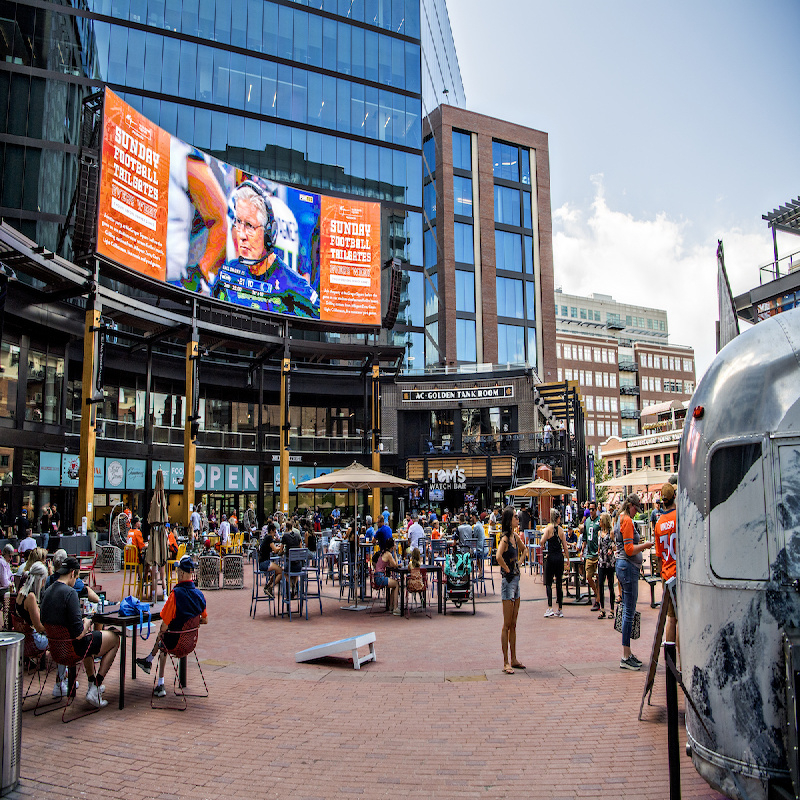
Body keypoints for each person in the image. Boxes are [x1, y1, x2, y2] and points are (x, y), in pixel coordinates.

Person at [214, 181, 319, 318]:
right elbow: (304, 270)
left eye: (250, 226)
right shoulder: (228, 273)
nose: (241, 235)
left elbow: (324, 318)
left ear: (269, 233)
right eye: (238, 223)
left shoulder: (293, 285)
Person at [39, 556, 120, 708]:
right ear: (72, 573)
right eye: (76, 576)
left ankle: (91, 683)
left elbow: (43, 622)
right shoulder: (70, 593)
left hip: (56, 648)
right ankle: (96, 686)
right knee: (115, 638)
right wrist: (88, 621)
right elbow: (79, 634)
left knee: (89, 640)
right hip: (73, 648)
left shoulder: (47, 590)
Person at [134, 555, 207, 698]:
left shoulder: (175, 595)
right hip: (190, 643)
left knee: (163, 638)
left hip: (175, 642)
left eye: (178, 571)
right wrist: (189, 626)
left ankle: (160, 683)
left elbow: (164, 625)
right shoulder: (199, 595)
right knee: (166, 636)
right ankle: (148, 660)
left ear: (181, 573)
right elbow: (205, 620)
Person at [615, 493, 654, 670]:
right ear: (630, 505)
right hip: (628, 566)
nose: (636, 513)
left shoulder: (619, 518)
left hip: (624, 566)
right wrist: (645, 546)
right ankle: (625, 654)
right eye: (635, 509)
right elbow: (629, 549)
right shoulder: (627, 521)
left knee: (627, 610)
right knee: (629, 612)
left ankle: (628, 652)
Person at [496, 506, 526, 674]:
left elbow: (525, 550)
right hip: (508, 582)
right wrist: (507, 569)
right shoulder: (506, 538)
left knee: (513, 624)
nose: (517, 519)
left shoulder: (515, 537)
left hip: (516, 581)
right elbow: (498, 556)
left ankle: (513, 659)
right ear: (509, 520)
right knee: (507, 624)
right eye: (515, 517)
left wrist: (519, 563)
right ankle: (506, 661)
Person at [654, 482, 678, 644]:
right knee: (682, 619)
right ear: (674, 497)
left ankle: (671, 663)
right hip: (680, 573)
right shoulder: (679, 517)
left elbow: (658, 556)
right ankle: (683, 664)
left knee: (671, 618)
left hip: (666, 573)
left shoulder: (658, 523)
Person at [540, 509, 569, 618]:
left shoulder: (548, 529)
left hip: (551, 557)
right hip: (559, 557)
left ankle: (550, 607)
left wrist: (543, 545)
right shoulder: (561, 530)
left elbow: (542, 541)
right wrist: (568, 559)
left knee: (548, 583)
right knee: (559, 584)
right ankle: (560, 609)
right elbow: (565, 547)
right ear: (557, 518)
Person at [580, 501, 601, 611]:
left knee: (598, 578)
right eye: (590, 509)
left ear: (596, 509)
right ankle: (597, 594)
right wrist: (582, 549)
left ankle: (597, 601)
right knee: (588, 576)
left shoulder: (599, 521)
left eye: (593, 509)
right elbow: (584, 537)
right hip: (589, 553)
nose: (591, 511)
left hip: (598, 554)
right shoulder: (587, 521)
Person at [596, 512, 616, 619]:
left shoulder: (611, 533)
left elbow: (616, 545)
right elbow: (599, 547)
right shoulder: (599, 533)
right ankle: (602, 608)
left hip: (609, 562)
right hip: (601, 562)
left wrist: (611, 548)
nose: (599, 522)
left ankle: (612, 609)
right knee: (600, 584)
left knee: (611, 586)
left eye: (600, 520)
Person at [372, 538, 400, 615]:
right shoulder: (389, 554)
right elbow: (396, 565)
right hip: (380, 577)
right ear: (392, 547)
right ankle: (395, 608)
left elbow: (391, 565)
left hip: (377, 576)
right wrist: (395, 553)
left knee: (393, 585)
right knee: (397, 584)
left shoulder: (383, 553)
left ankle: (391, 606)